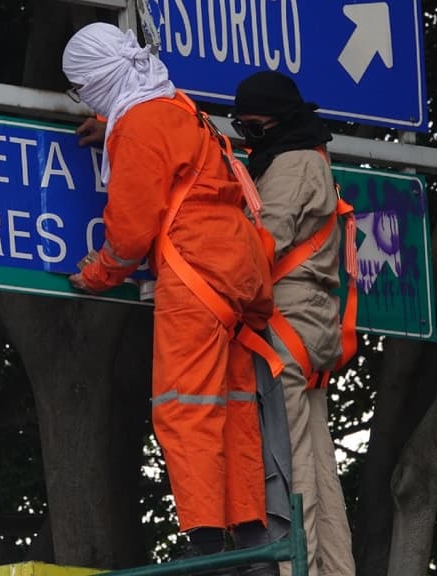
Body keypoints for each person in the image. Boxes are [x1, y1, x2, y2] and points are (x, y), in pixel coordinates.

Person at [62, 22, 278, 570]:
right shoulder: (175, 105)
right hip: (240, 266)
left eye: (82, 87)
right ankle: (252, 540)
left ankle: (206, 547)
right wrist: (110, 123)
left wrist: (98, 274)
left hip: (196, 271)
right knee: (231, 407)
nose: (85, 98)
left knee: (185, 407)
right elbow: (167, 144)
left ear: (98, 78)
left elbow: (132, 231)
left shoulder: (137, 125)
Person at [232, 71, 355, 576]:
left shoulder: (289, 165)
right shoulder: (308, 156)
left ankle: (293, 570)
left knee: (288, 464)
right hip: (307, 324)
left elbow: (260, 245)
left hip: (285, 322)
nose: (246, 137)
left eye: (253, 127)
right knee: (319, 466)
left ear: (278, 121)